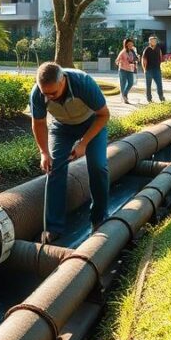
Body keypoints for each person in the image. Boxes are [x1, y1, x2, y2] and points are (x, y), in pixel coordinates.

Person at [30, 62, 111, 243]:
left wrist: (83, 144)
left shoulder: (83, 83)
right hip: (62, 127)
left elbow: (104, 114)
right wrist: (44, 152)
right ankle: (54, 227)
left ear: (63, 81)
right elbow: (39, 123)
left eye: (53, 93)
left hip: (92, 123)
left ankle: (99, 218)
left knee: (98, 165)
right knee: (55, 168)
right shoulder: (38, 93)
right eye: (46, 94)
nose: (49, 97)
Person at [141, 35, 165, 102]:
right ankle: (149, 99)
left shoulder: (158, 49)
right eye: (152, 41)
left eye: (155, 41)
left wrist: (160, 65)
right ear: (149, 42)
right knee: (148, 86)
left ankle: (161, 97)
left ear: (156, 42)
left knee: (159, 85)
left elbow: (160, 58)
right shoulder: (147, 49)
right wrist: (144, 69)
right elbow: (143, 59)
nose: (154, 42)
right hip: (148, 70)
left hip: (157, 70)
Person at [115, 38, 139, 104]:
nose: (131, 45)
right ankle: (124, 98)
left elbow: (136, 59)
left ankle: (124, 94)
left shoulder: (132, 51)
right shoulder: (122, 52)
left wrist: (136, 60)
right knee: (123, 84)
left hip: (130, 70)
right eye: (130, 44)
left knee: (131, 83)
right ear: (126, 44)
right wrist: (120, 62)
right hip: (123, 70)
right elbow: (116, 61)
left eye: (132, 44)